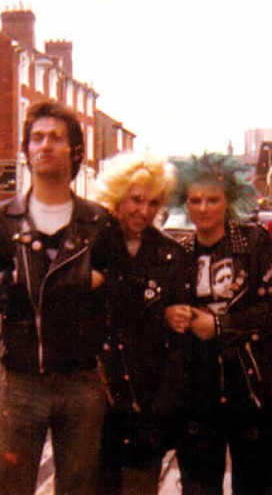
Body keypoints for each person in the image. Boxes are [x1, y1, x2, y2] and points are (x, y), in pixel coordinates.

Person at [0, 100, 109, 495]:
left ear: (75, 152)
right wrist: (14, 282)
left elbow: (121, 293)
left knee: (79, 487)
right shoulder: (0, 221)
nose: (44, 145)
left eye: (56, 138)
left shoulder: (98, 222)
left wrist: (99, 283)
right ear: (26, 151)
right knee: (11, 487)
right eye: (36, 138)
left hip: (84, 381)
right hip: (21, 381)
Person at [165, 156, 272, 495]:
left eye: (212, 200)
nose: (203, 208)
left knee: (255, 487)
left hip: (251, 390)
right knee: (198, 488)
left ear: (228, 201)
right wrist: (171, 315)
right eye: (195, 200)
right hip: (197, 393)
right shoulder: (179, 251)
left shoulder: (254, 243)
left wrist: (221, 325)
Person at [91, 152, 189, 495]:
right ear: (116, 197)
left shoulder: (170, 255)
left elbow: (178, 344)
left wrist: (164, 407)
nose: (144, 211)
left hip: (146, 404)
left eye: (153, 203)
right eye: (136, 200)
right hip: (96, 400)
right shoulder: (91, 247)